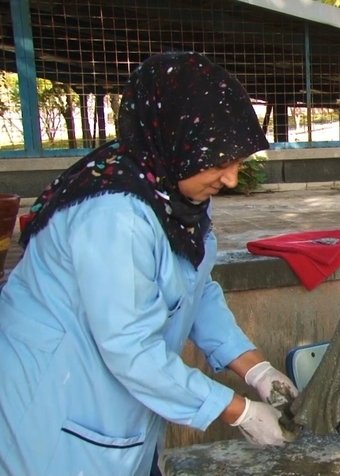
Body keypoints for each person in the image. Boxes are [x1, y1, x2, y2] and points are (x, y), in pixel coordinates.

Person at [0, 52, 298, 475]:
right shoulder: (114, 214)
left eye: (237, 161)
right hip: (57, 409)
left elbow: (195, 288)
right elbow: (130, 348)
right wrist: (238, 411)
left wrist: (255, 368)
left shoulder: (173, 198)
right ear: (176, 139)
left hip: (114, 411)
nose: (231, 178)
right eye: (219, 161)